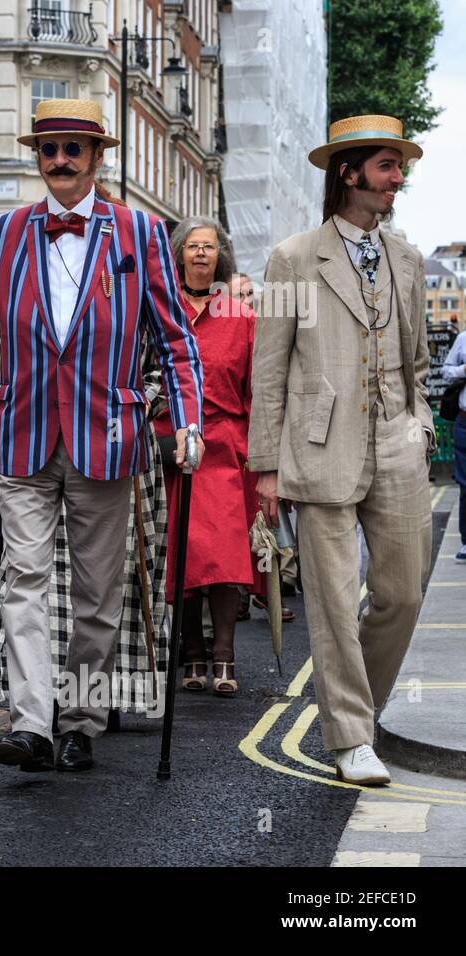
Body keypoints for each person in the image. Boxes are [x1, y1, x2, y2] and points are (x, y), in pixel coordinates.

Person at [0, 99, 203, 775]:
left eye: (73, 149)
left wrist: (187, 422)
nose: (58, 161)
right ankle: (31, 722)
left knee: (98, 594)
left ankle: (82, 720)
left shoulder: (141, 234)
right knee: (25, 579)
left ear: (96, 157)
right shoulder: (2, 234)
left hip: (107, 436)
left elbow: (176, 341)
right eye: (48, 149)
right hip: (21, 434)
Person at [250, 114, 433, 787]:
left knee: (402, 592)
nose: (398, 180)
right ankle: (352, 735)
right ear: (350, 173)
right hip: (318, 444)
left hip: (397, 442)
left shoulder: (408, 259)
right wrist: (266, 465)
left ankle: (363, 710)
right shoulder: (294, 258)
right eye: (388, 166)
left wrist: (421, 428)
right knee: (332, 600)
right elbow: (270, 368)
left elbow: (416, 358)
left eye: (399, 167)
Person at [156, 216, 259, 697]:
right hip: (170, 447)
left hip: (224, 449)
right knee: (180, 558)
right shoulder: (159, 310)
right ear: (178, 254)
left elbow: (259, 392)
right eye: (193, 246)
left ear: (221, 257)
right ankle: (191, 654)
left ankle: (223, 656)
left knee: (222, 560)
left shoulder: (242, 317)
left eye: (210, 247)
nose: (201, 253)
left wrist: (265, 457)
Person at [441, 329, 466, 560]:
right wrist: (463, 370)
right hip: (464, 422)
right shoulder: (463, 339)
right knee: (465, 484)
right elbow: (445, 371)